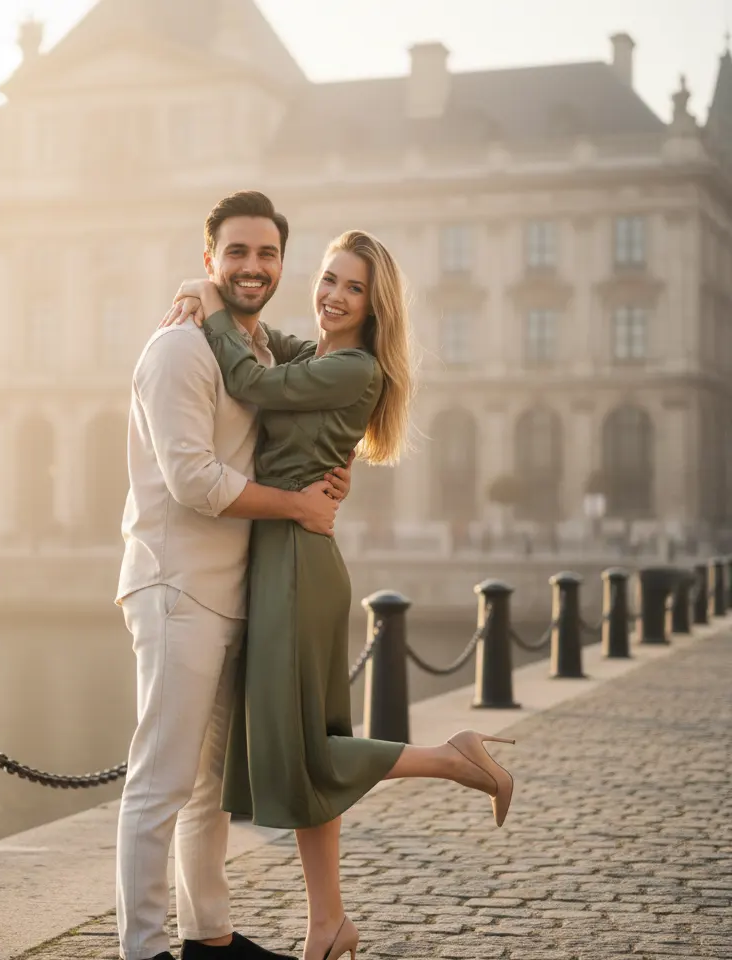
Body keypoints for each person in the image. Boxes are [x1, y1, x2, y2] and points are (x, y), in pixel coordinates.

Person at [164, 227, 516, 960]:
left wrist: (208, 305)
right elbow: (269, 351)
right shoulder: (317, 356)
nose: (333, 295)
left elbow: (250, 380)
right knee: (308, 745)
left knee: (302, 755)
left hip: (295, 564)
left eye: (352, 287)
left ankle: (454, 757)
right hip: (290, 558)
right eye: (328, 279)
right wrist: (216, 298)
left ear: (373, 305)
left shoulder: (353, 368)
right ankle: (328, 922)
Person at [115, 191, 356, 960]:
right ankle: (144, 948)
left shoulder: (252, 349)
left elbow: (302, 404)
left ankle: (206, 938)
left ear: (281, 263)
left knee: (208, 790)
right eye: (238, 253)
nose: (255, 266)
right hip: (174, 585)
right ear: (211, 255)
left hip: (229, 590)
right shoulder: (180, 349)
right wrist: (299, 507)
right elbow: (193, 480)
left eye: (268, 254)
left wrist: (326, 480)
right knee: (160, 783)